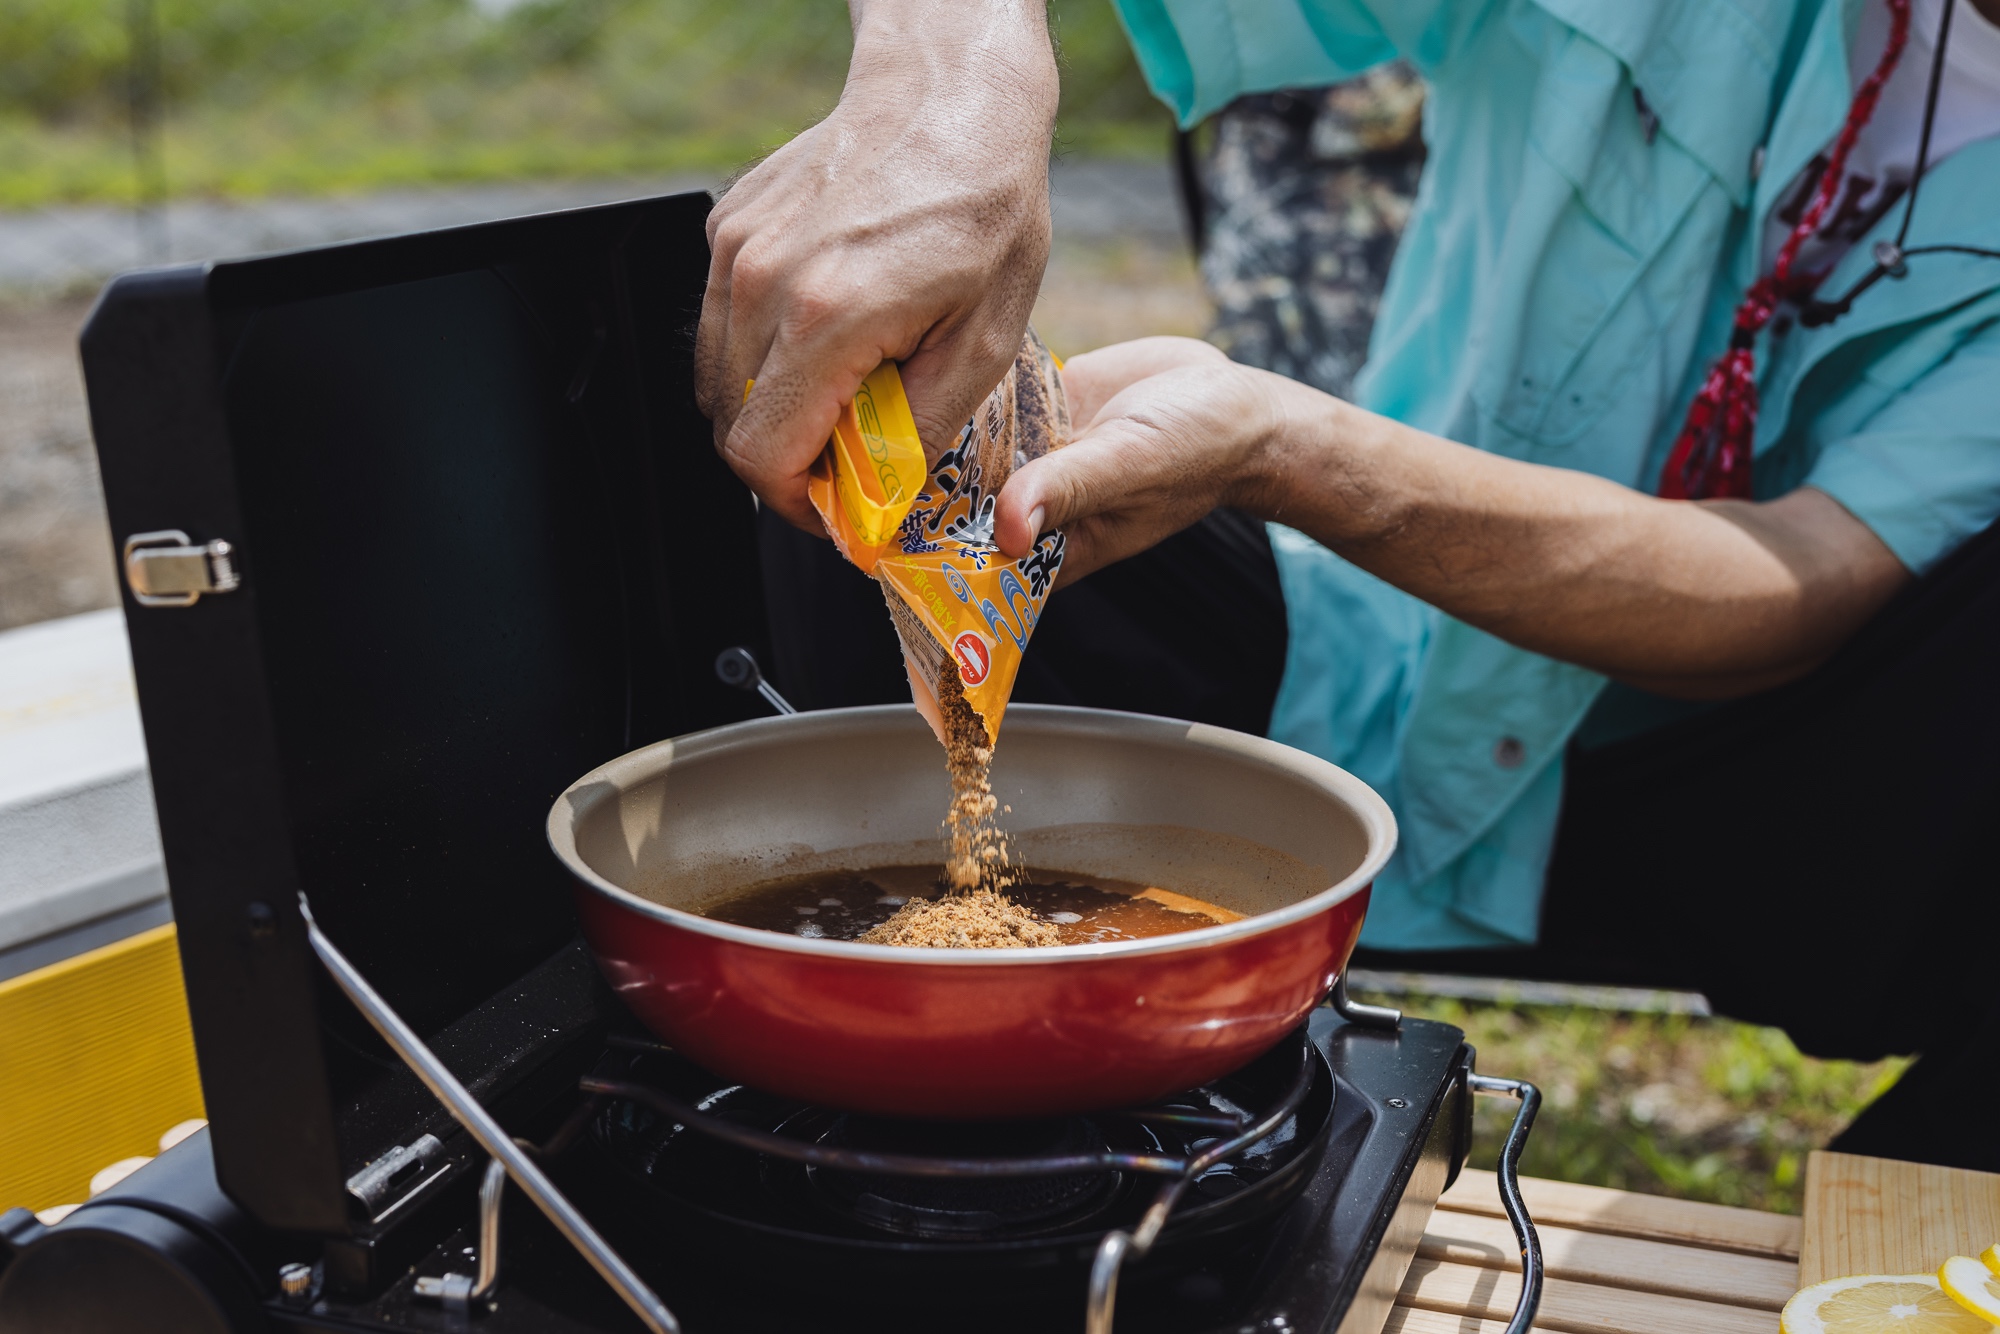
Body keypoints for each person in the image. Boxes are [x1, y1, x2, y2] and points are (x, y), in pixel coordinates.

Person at [697, 0, 2000, 1170]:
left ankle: (1940, 1181)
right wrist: (955, 80)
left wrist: (1287, 445)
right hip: (1390, 650)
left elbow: (1808, 571)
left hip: (1791, 796)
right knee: (845, 424)